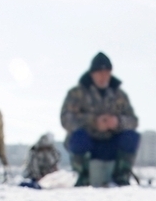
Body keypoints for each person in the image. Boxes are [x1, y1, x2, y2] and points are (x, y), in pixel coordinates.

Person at [60, 52, 140, 187]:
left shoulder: (119, 95)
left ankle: (121, 177)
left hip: (112, 144)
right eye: (99, 72)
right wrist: (93, 122)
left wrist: (117, 122)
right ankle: (83, 176)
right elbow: (66, 119)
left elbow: (133, 121)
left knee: (131, 136)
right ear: (92, 73)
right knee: (78, 137)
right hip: (89, 144)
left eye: (106, 72)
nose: (103, 76)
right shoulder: (77, 93)